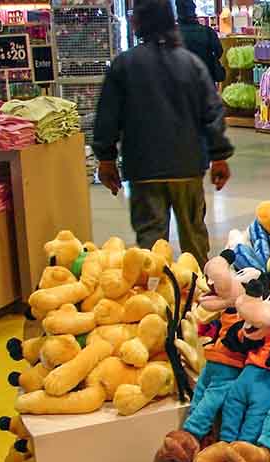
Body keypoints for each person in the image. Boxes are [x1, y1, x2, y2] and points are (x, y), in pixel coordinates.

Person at [92, 0, 232, 265]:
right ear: (172, 22)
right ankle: (198, 293)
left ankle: (155, 299)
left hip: (144, 169)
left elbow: (107, 117)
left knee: (150, 247)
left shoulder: (124, 65)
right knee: (195, 243)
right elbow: (212, 113)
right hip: (188, 167)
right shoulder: (191, 64)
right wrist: (219, 156)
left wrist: (106, 158)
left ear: (137, 24)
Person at [176, 0, 225, 83]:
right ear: (194, 10)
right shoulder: (207, 32)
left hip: (181, 85)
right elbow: (219, 52)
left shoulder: (172, 36)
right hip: (205, 82)